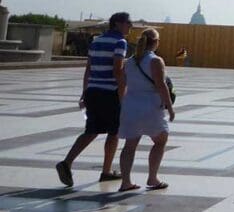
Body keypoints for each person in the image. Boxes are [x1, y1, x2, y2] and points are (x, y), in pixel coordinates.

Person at [56, 12, 132, 187]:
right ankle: (106, 171)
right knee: (114, 132)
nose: (130, 26)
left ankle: (67, 162)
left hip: (93, 91)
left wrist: (85, 92)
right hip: (110, 92)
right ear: (117, 24)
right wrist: (123, 94)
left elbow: (88, 68)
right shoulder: (120, 42)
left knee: (91, 130)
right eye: (128, 23)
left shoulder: (96, 41)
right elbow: (118, 70)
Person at [117, 27, 174, 192]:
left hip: (131, 105)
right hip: (150, 106)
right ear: (155, 43)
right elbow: (161, 85)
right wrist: (169, 107)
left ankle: (125, 181)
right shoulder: (155, 60)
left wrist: (123, 104)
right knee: (160, 141)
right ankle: (152, 177)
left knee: (129, 145)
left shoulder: (129, 62)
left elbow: (123, 84)